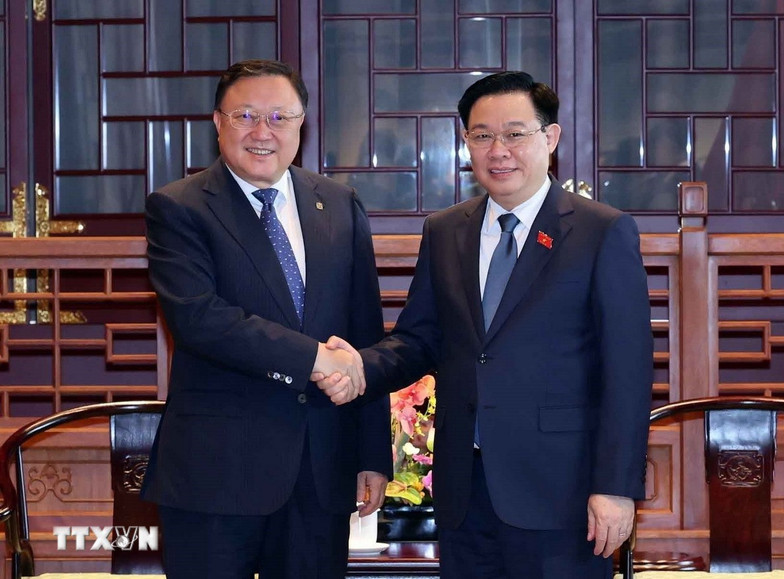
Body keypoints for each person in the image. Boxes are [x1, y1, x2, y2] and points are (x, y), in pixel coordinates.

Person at [316, 71, 654, 578]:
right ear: (466, 143)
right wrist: (358, 365)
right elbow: (420, 338)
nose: (498, 149)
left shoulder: (601, 232)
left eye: (515, 133)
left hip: (562, 490)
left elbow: (628, 372)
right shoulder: (447, 229)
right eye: (482, 135)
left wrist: (615, 486)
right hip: (464, 489)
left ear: (551, 138)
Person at [142, 59, 392, 579]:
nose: (263, 132)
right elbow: (200, 318)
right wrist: (313, 358)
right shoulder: (180, 207)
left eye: (280, 118)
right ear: (218, 122)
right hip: (216, 472)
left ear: (302, 123)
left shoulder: (339, 204)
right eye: (246, 116)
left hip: (321, 472)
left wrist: (372, 454)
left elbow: (363, 334)